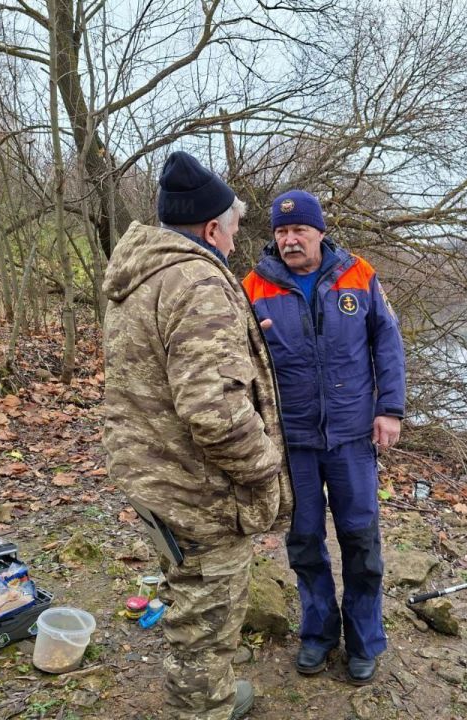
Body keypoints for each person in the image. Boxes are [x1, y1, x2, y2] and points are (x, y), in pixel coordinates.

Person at [102, 151, 293, 720]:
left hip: (153, 473)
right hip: (198, 488)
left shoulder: (141, 273)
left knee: (189, 594)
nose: (236, 241)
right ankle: (203, 708)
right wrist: (264, 471)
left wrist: (236, 339)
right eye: (233, 229)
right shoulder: (198, 279)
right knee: (208, 615)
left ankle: (205, 696)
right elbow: (214, 413)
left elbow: (160, 366)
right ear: (212, 227)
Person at [243, 190, 406, 685]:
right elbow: (239, 365)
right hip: (292, 443)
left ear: (319, 232)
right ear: (274, 237)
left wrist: (390, 409)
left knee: (361, 542)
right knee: (305, 542)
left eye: (300, 231)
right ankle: (317, 634)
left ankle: (364, 640)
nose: (291, 240)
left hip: (353, 436)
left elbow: (388, 342)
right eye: (281, 232)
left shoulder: (358, 275)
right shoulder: (252, 287)